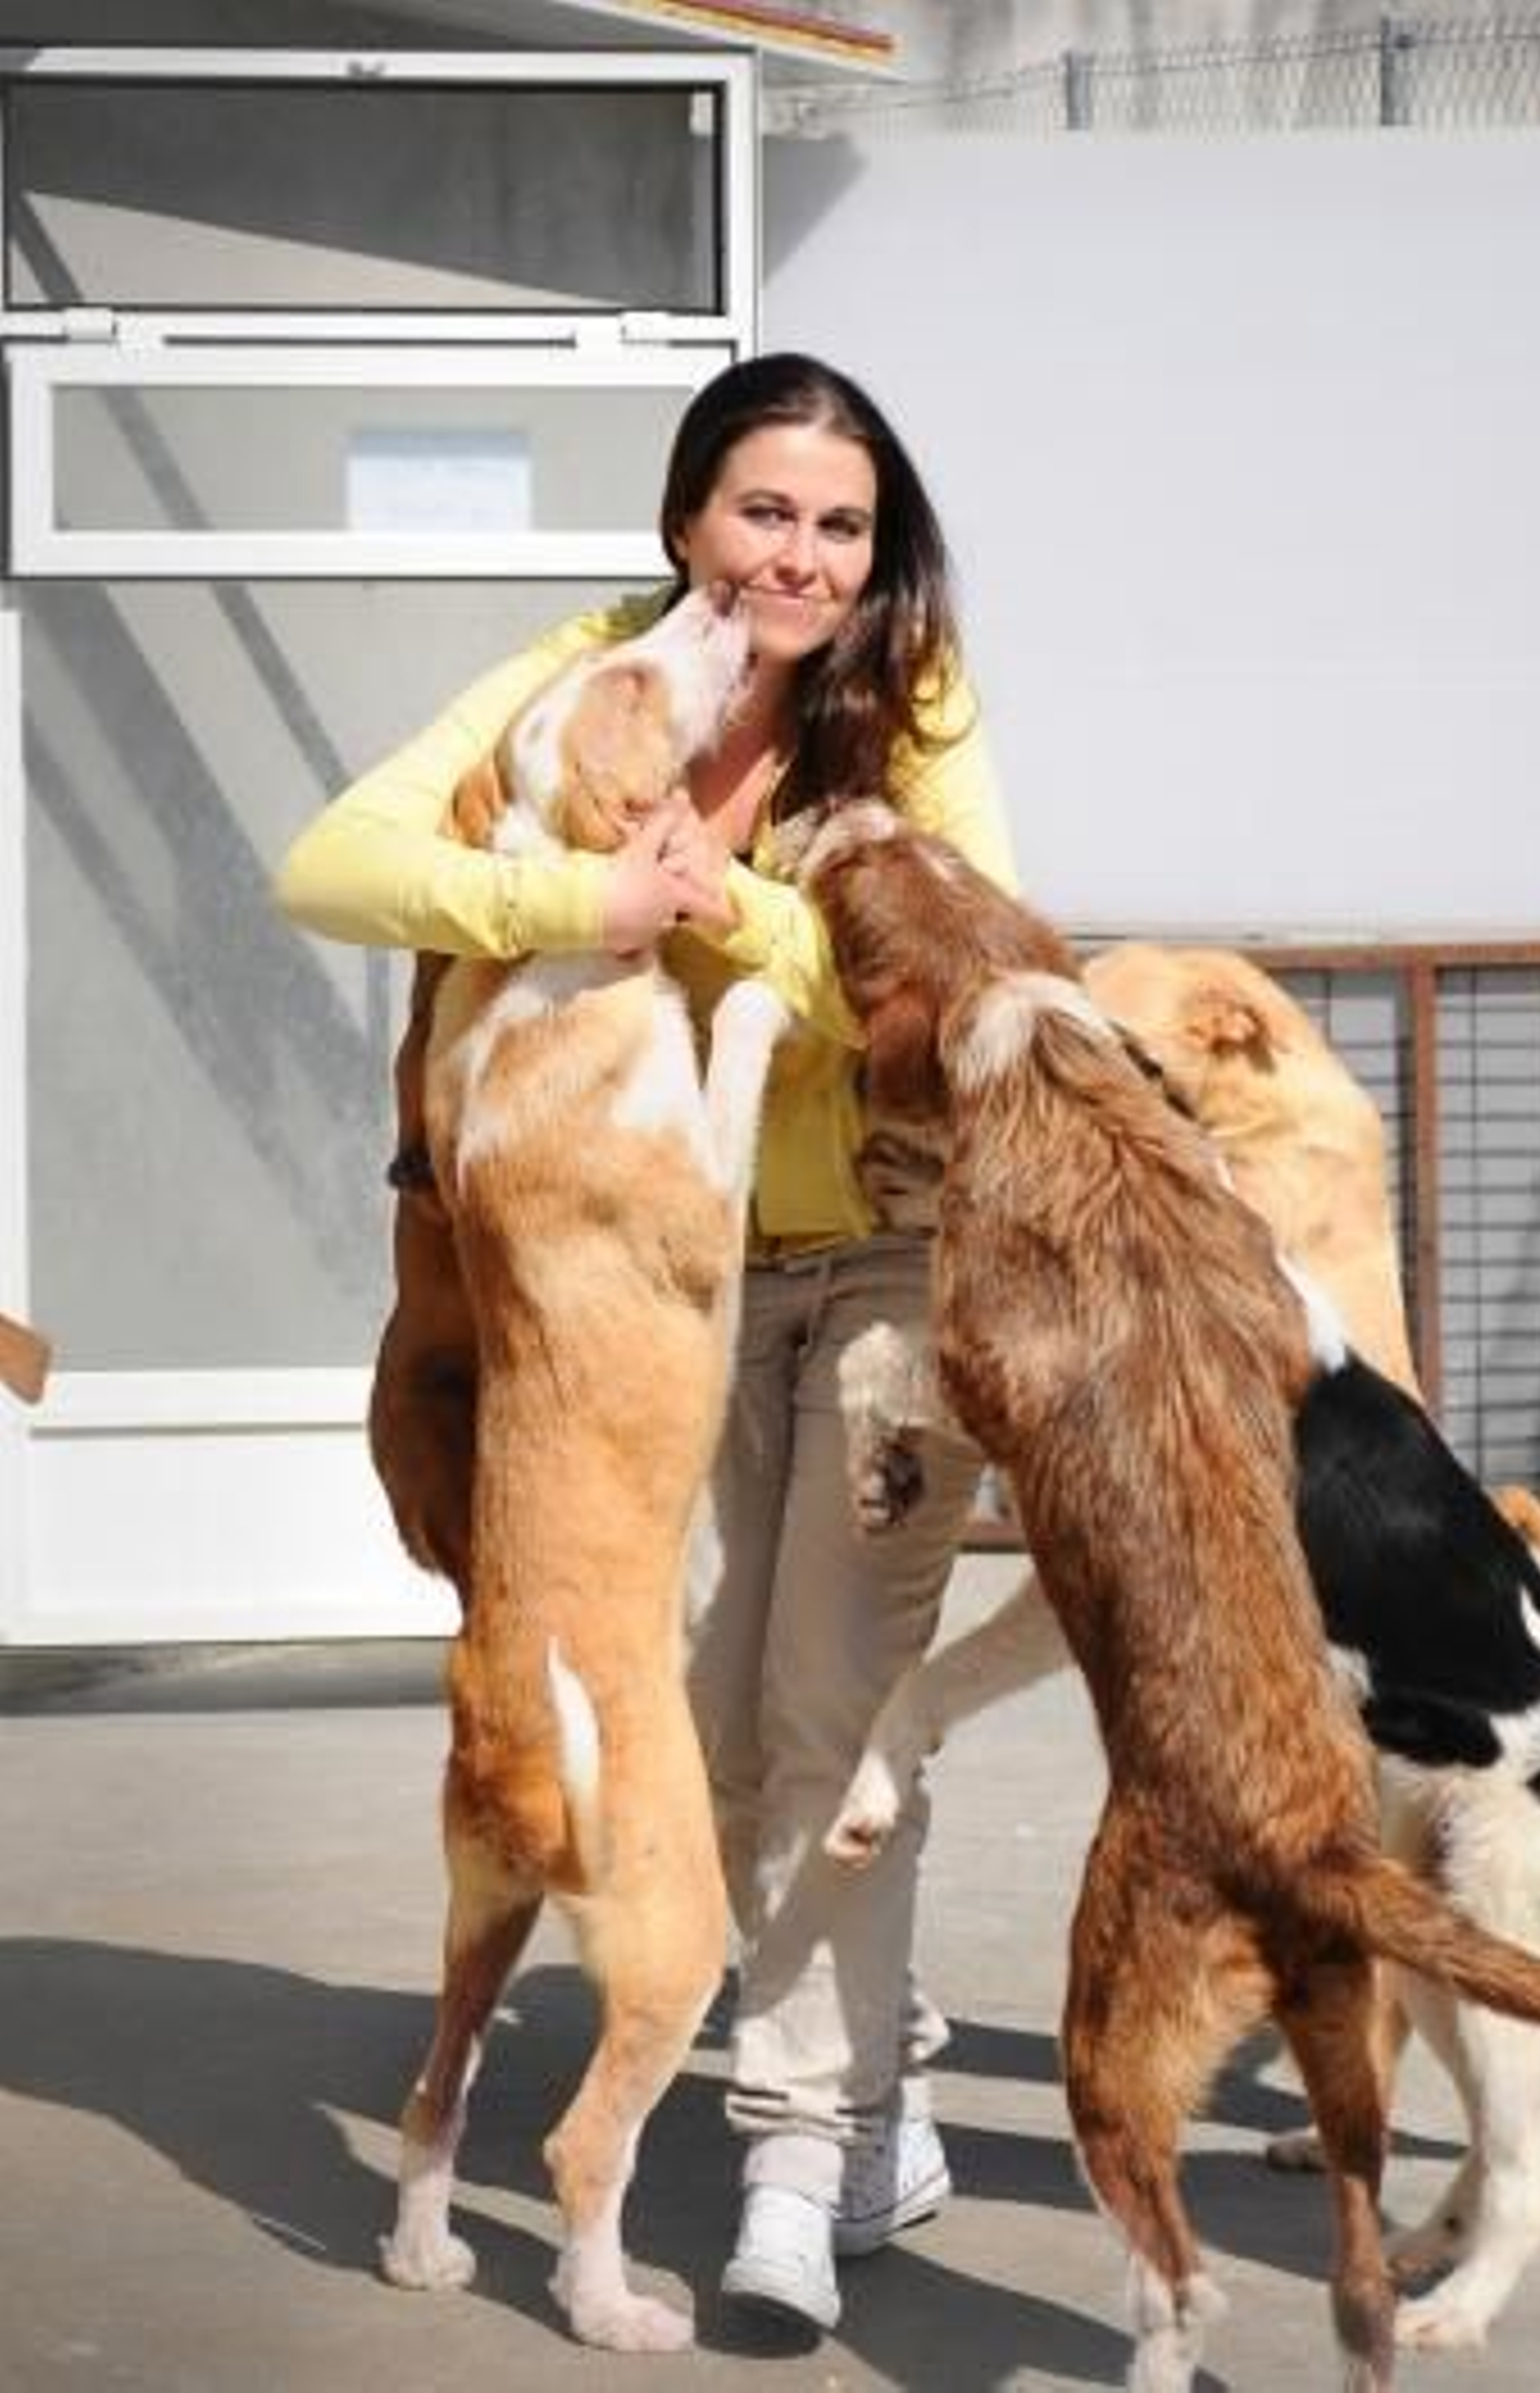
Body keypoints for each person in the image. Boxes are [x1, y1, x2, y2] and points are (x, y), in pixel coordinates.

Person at [274, 352, 1017, 2333]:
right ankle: (878, 2054)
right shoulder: (601, 671)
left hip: (870, 1246)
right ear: (686, 515)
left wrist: (729, 932)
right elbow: (329, 865)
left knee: (822, 1711)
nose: (794, 558)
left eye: (839, 526)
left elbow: (962, 964)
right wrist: (576, 891)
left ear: (877, 557)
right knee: (697, 1731)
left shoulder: (905, 711)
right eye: (760, 511)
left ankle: (793, 2164)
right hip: (670, 1283)